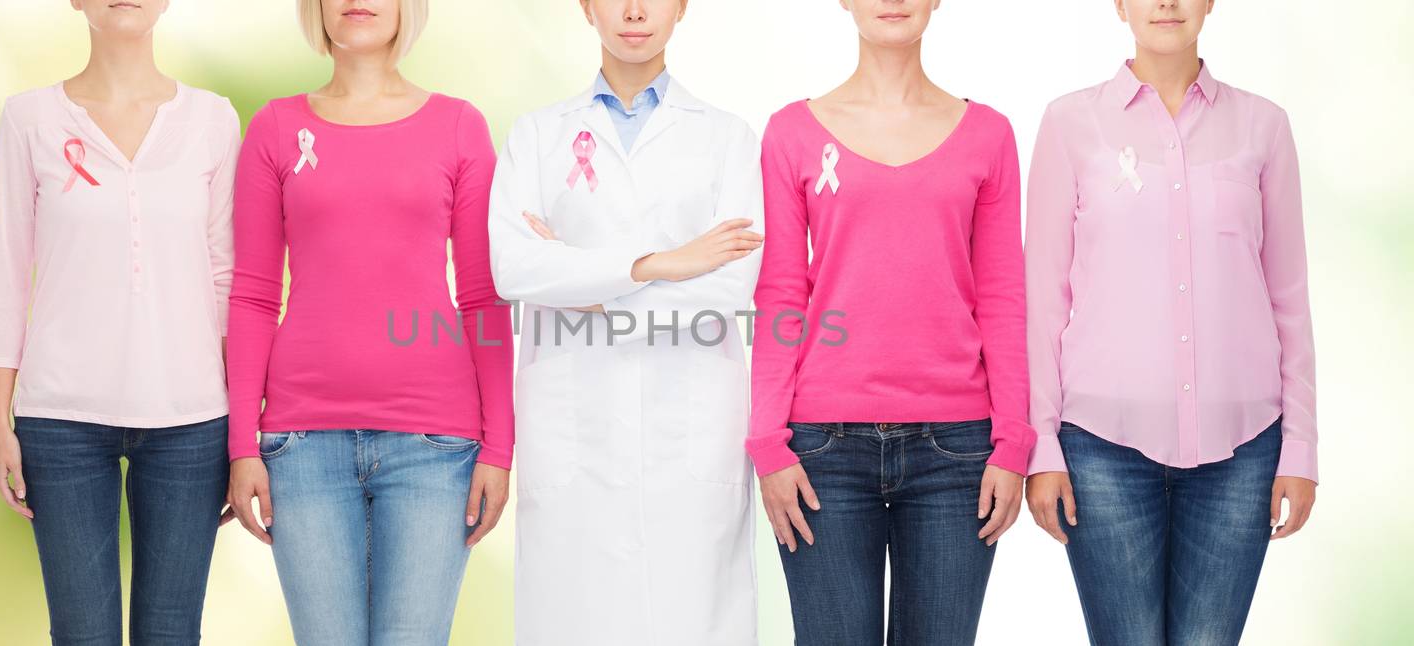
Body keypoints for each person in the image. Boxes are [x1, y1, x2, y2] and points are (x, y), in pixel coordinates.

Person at [1024, 1, 1319, 644]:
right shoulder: (1069, 123)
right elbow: (1042, 298)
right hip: (1101, 446)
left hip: (1242, 449)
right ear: (1120, 5)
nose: (1166, 3)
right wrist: (1040, 444)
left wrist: (1300, 447)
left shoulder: (1263, 127)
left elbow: (1288, 296)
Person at [222, 1, 514, 644]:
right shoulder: (275, 129)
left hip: (436, 449)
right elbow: (251, 296)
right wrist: (243, 443)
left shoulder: (459, 127)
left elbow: (483, 297)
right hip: (302, 447)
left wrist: (500, 446)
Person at [748, 1, 1033, 643]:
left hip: (959, 451)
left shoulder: (988, 134)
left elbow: (1003, 296)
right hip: (821, 449)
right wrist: (767, 441)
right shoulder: (792, 132)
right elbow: (782, 293)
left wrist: (1013, 441)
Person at [488, 0, 764, 643]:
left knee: (693, 617)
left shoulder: (727, 137)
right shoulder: (536, 135)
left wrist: (579, 284)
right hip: (573, 428)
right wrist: (661, 264)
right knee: (574, 617)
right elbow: (516, 271)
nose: (634, 11)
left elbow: (726, 287)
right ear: (587, 7)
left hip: (689, 426)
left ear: (682, 8)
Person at [0, 1, 237, 643]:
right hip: (60, 422)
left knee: (172, 631)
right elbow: (8, 276)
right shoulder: (29, 119)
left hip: (192, 421)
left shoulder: (212, 120)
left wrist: (244, 435)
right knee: (81, 632)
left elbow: (227, 276)